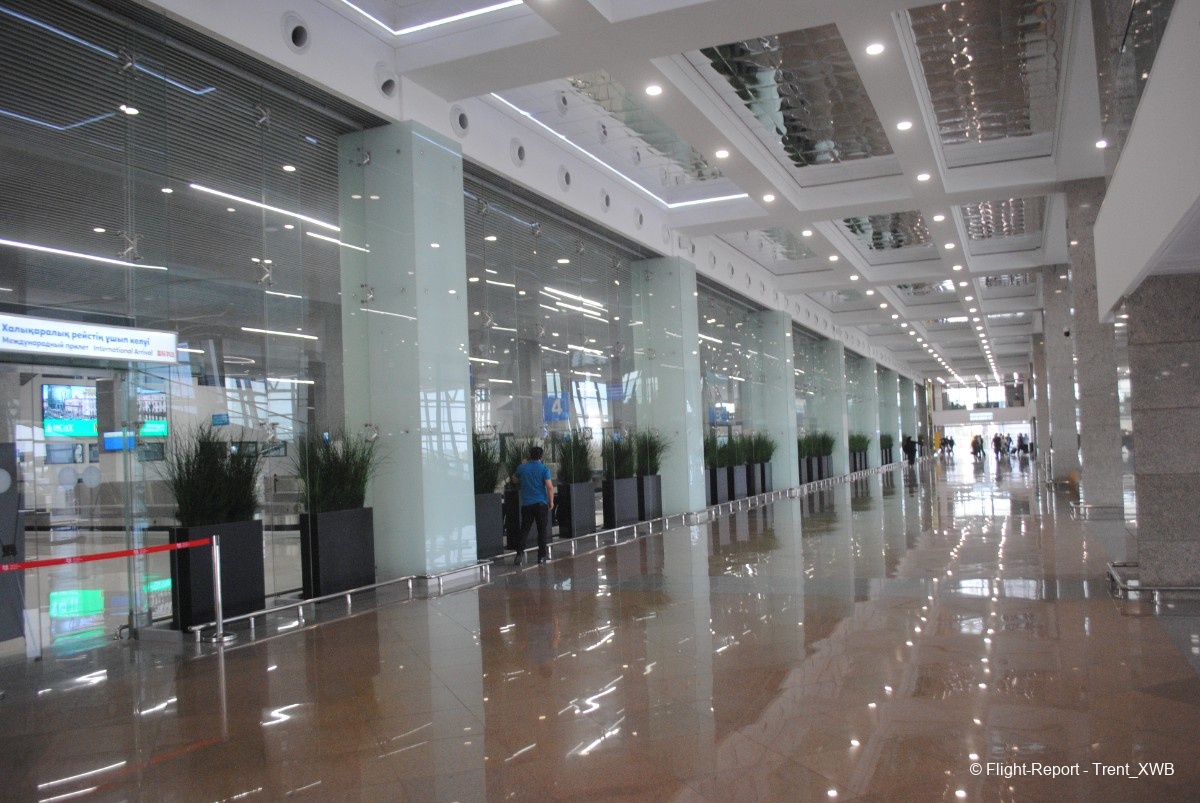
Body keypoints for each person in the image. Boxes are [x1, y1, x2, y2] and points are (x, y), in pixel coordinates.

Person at [513, 446, 554, 565]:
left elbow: (514, 479)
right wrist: (551, 501)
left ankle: (519, 553)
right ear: (541, 457)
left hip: (526, 504)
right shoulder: (544, 468)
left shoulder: (523, 467)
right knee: (542, 530)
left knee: (524, 529)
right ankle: (541, 556)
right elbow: (549, 486)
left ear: (530, 456)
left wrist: (521, 466)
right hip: (541, 503)